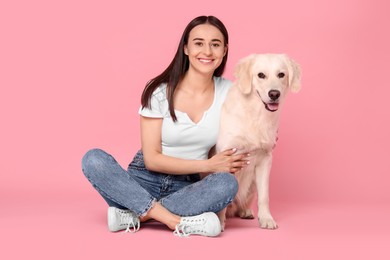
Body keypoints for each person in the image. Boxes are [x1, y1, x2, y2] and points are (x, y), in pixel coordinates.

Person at [81, 15, 250, 237]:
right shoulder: (159, 91)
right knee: (93, 159)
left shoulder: (230, 93)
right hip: (142, 180)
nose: (207, 51)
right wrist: (208, 165)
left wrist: (266, 137)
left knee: (226, 183)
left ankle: (136, 214)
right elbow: (152, 159)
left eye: (215, 44)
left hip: (187, 188)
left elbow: (257, 117)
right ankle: (173, 220)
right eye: (198, 43)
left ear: (224, 50)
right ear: (186, 48)